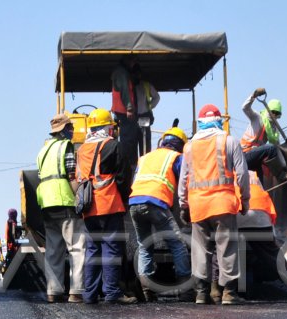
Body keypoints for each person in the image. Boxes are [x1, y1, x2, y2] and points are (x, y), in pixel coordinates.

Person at [179, 103, 250, 305]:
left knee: (200, 250)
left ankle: (201, 293)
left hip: (198, 206)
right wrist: (245, 200)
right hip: (223, 204)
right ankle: (228, 293)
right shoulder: (229, 141)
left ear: (200, 122)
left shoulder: (189, 146)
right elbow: (242, 174)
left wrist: (183, 205)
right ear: (219, 120)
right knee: (226, 248)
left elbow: (184, 179)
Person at [77, 109, 137, 304]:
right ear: (107, 127)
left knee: (93, 250)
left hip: (88, 207)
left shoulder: (82, 149)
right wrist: (125, 198)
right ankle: (111, 292)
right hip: (109, 204)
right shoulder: (112, 146)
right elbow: (123, 176)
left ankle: (90, 294)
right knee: (111, 248)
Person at [128, 127, 192, 302]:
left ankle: (146, 289)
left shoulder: (145, 158)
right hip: (156, 203)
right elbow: (184, 182)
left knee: (144, 245)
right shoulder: (176, 157)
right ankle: (186, 289)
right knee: (177, 244)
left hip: (134, 202)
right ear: (180, 145)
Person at [35, 112, 87, 303]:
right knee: (76, 247)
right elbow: (71, 175)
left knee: (53, 248)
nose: (73, 130)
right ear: (64, 130)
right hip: (64, 201)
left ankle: (53, 291)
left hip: (46, 203)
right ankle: (76, 291)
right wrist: (79, 200)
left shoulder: (43, 151)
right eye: (70, 127)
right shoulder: (67, 147)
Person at [110, 58, 143, 197]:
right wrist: (129, 108)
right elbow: (125, 91)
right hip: (124, 112)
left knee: (129, 138)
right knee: (129, 140)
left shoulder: (123, 73)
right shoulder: (122, 74)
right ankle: (130, 165)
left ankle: (131, 163)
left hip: (122, 112)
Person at [240, 87, 287, 178]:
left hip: (255, 159)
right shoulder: (257, 117)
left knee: (260, 185)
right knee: (271, 148)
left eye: (277, 114)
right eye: (273, 112)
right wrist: (254, 96)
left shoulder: (274, 129)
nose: (274, 115)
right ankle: (281, 174)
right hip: (244, 154)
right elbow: (245, 108)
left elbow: (277, 146)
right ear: (268, 110)